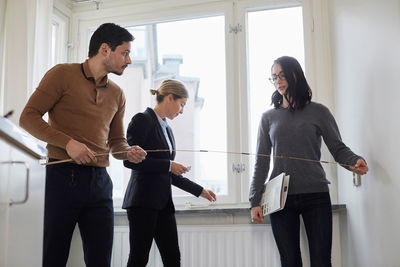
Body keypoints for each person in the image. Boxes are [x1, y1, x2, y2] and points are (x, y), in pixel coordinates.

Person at [19, 23, 147, 267]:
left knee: (100, 261)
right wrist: (68, 143)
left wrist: (128, 152)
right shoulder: (61, 74)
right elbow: (28, 117)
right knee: (53, 257)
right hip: (61, 178)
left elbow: (116, 143)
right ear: (105, 49)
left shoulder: (118, 94)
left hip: (100, 183)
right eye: (125, 52)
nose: (128, 60)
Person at [249, 56, 368, 267]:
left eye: (283, 75)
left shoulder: (319, 112)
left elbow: (338, 149)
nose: (278, 80)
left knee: (322, 262)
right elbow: (261, 162)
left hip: (316, 195)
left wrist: (355, 161)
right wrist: (254, 200)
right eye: (274, 77)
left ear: (296, 75)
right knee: (290, 261)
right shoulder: (268, 118)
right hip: (279, 200)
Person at [122, 79, 217, 267]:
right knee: (139, 258)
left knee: (173, 258)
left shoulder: (168, 130)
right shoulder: (142, 120)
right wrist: (168, 165)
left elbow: (169, 173)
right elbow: (129, 160)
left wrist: (200, 191)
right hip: (142, 202)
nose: (181, 111)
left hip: (163, 204)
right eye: (181, 105)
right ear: (170, 98)